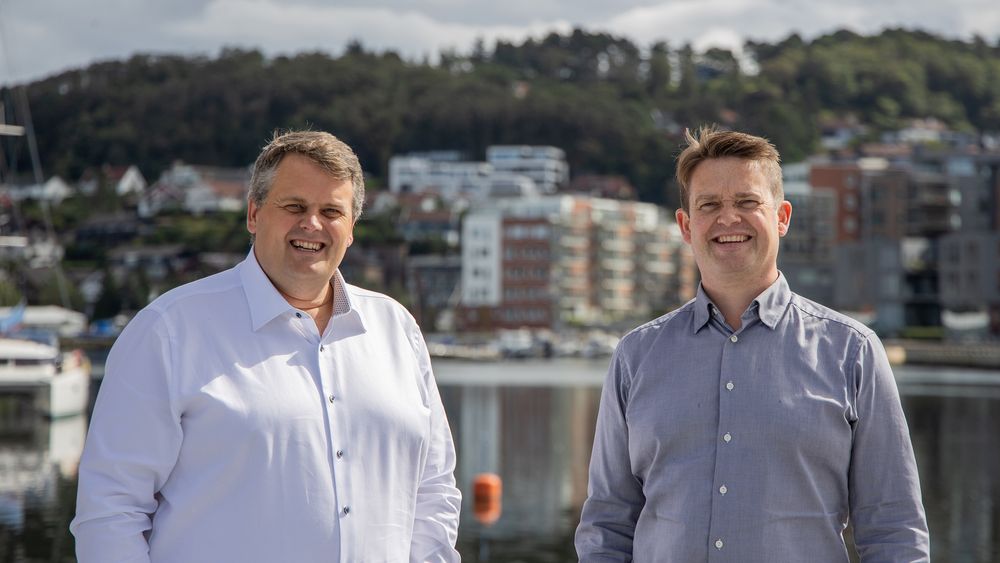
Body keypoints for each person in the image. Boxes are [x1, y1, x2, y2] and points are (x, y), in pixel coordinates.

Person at [71, 130, 462, 562]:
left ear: (351, 229)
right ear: (254, 214)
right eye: (294, 206)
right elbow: (110, 511)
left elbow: (434, 491)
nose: (312, 224)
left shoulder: (398, 331)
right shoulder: (168, 332)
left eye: (331, 211)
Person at [575, 126, 929, 562]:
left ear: (782, 217)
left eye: (747, 202)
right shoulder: (635, 357)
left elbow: (894, 530)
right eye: (709, 205)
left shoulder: (852, 352)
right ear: (686, 225)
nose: (728, 219)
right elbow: (607, 525)